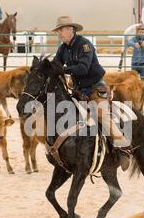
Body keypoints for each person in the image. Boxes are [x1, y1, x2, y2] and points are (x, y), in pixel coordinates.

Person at [52, 16, 132, 171]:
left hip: (95, 88)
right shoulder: (62, 49)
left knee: (103, 116)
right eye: (58, 31)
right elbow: (56, 64)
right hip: (78, 90)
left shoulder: (84, 45)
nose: (59, 34)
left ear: (70, 30)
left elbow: (83, 68)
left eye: (61, 30)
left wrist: (63, 70)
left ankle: (123, 148)